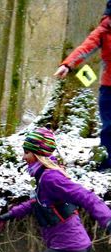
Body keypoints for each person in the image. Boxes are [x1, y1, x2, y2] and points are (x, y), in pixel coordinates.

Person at [54, 1, 111, 170]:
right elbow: (86, 47)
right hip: (108, 87)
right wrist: (67, 65)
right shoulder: (104, 30)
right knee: (108, 126)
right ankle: (107, 161)